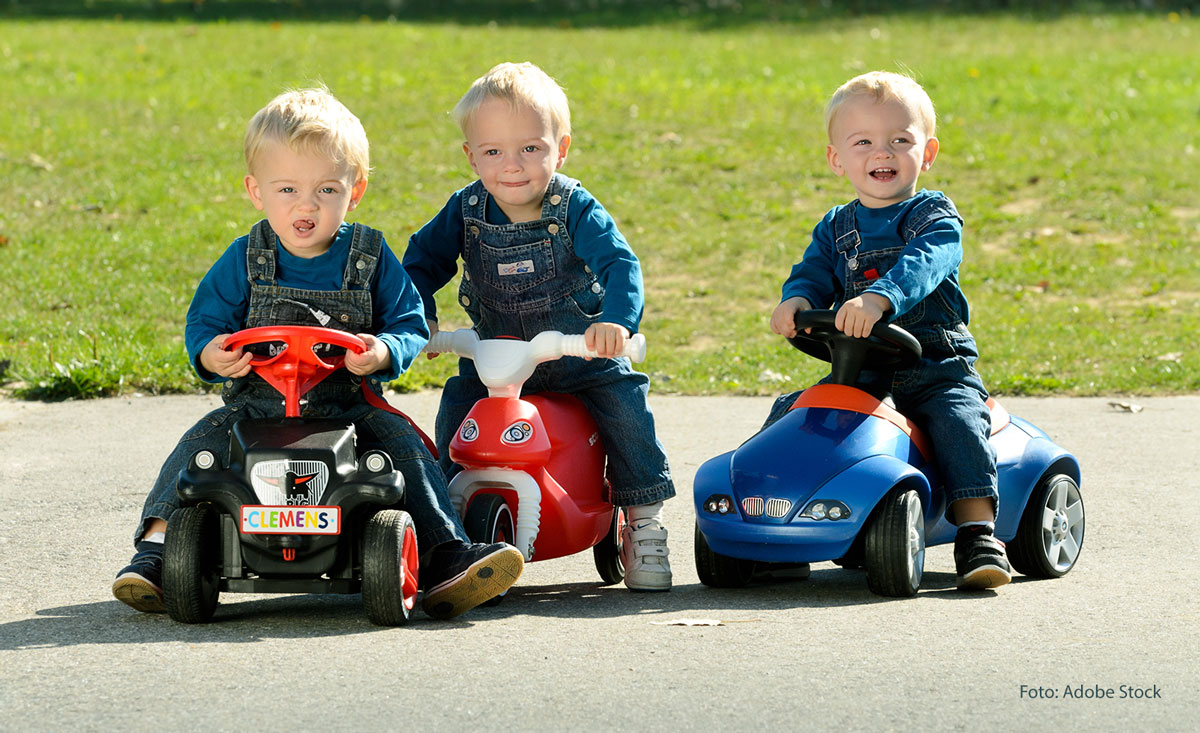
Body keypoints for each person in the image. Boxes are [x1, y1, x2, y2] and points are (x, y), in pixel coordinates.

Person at [112, 87, 523, 620]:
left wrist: (382, 349)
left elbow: (410, 322)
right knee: (198, 449)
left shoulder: (370, 258)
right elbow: (206, 324)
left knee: (404, 448)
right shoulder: (245, 259)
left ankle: (446, 554)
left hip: (347, 410)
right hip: (255, 410)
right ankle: (157, 552)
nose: (306, 205)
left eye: (326, 189)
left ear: (354, 191)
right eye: (288, 189)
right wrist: (212, 353)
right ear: (255, 191)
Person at [403, 62, 675, 591]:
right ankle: (443, 529)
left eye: (530, 148)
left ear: (561, 147)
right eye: (494, 152)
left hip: (577, 354)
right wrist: (421, 317)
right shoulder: (465, 209)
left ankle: (643, 520)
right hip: (494, 361)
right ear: (471, 155)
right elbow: (421, 263)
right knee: (456, 418)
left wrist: (615, 323)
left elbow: (620, 264)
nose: (512, 166)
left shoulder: (574, 207)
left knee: (624, 408)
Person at [767, 71, 1010, 590]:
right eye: (865, 143)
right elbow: (812, 271)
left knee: (957, 420)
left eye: (901, 140)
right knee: (796, 413)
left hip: (935, 364)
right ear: (837, 159)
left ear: (927, 153)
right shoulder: (837, 227)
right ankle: (779, 521)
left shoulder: (933, 215)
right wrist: (797, 301)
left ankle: (976, 531)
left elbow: (927, 262)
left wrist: (880, 298)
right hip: (864, 369)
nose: (884, 153)